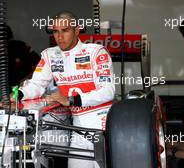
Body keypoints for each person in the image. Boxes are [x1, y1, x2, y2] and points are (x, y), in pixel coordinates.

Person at [12, 11, 115, 168]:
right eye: (55, 31)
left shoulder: (96, 51)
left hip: (102, 123)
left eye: (65, 30)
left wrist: (72, 100)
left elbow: (108, 91)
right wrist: (18, 94)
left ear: (76, 30)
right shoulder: (49, 55)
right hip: (77, 126)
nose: (59, 36)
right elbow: (36, 84)